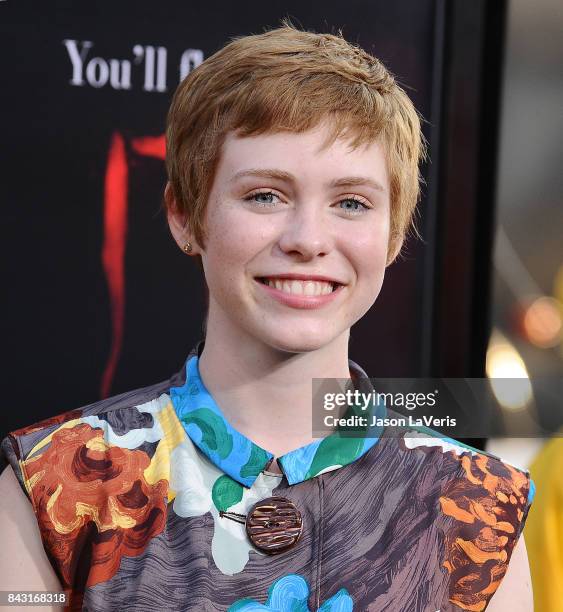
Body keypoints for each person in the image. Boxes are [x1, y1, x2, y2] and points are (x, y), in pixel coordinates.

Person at [0, 21, 534, 611]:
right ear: (185, 215)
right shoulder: (53, 485)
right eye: (265, 195)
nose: (308, 239)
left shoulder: (480, 506)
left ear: (395, 233)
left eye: (351, 203)